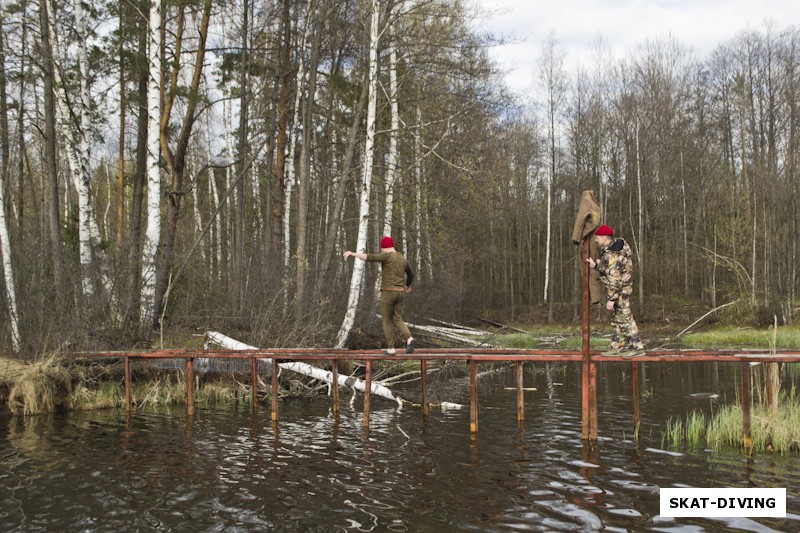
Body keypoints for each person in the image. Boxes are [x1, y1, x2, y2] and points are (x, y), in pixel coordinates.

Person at [343, 236, 416, 355]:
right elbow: (411, 274)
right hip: (400, 292)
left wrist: (352, 253)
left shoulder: (387, 255)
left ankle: (391, 349)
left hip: (388, 292)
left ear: (385, 247)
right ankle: (409, 339)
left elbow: (370, 257)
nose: (382, 251)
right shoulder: (402, 258)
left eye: (382, 249)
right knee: (397, 318)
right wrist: (407, 286)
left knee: (387, 320)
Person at [586, 225, 645, 358]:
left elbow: (614, 278)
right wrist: (596, 265)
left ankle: (637, 347)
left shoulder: (613, 254)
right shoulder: (612, 251)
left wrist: (611, 299)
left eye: (599, 237)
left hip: (619, 291)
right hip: (622, 290)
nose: (596, 240)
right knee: (618, 320)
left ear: (605, 238)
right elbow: (609, 267)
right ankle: (617, 346)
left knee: (625, 319)